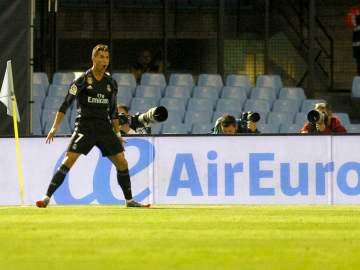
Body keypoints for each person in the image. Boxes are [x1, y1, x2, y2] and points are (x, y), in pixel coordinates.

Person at [36, 44, 150, 208]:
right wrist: (55, 127)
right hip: (85, 127)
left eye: (107, 57)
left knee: (122, 162)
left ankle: (130, 201)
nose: (105, 60)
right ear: (93, 59)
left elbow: (112, 112)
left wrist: (117, 134)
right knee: (69, 160)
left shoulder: (111, 83)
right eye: (101, 57)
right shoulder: (82, 80)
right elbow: (65, 104)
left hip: (104, 128)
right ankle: (46, 198)